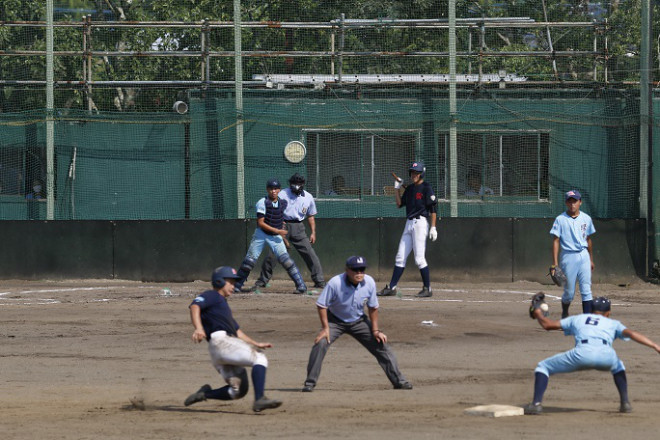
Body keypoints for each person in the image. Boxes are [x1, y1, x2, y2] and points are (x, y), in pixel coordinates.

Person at [525, 296, 660, 415]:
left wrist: (538, 314)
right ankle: (625, 403)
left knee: (543, 367)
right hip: (606, 356)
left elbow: (548, 325)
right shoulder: (613, 323)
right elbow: (632, 334)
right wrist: (655, 346)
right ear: (608, 313)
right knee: (619, 366)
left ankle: (536, 404)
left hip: (581, 354)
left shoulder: (579, 318)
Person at [301, 255, 412, 392]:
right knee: (321, 343)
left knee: (381, 344)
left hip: (359, 321)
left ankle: (399, 381)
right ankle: (309, 383)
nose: (359, 273)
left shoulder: (369, 282)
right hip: (335, 320)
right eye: (355, 270)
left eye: (362, 269)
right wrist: (325, 328)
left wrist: (375, 330)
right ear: (347, 270)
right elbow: (321, 305)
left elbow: (373, 307)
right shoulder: (335, 283)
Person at [184, 266, 283, 412]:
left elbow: (237, 332)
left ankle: (204, 394)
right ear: (218, 282)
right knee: (260, 358)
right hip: (222, 343)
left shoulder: (222, 305)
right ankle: (260, 399)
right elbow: (194, 306)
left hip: (219, 350)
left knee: (238, 390)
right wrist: (198, 328)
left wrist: (256, 343)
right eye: (230, 282)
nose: (233, 285)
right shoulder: (213, 295)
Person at [251, 173, 325, 291]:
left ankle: (319, 281)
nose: (296, 186)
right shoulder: (282, 194)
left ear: (302, 184)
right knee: (273, 255)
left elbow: (310, 216)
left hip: (299, 227)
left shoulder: (308, 197)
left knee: (310, 254)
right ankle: (262, 281)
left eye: (299, 183)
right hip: (282, 224)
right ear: (290, 184)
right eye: (293, 183)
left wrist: (313, 232)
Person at [233, 178, 307, 294]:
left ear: (279, 190)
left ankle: (301, 286)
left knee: (286, 261)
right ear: (267, 190)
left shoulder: (282, 203)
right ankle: (236, 286)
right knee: (249, 261)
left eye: (276, 189)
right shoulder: (262, 202)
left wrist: (284, 239)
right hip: (261, 234)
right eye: (271, 189)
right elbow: (261, 223)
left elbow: (280, 220)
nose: (273, 191)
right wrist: (278, 232)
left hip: (275, 235)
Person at [378, 161, 438, 298]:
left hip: (420, 223)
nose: (414, 175)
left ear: (422, 173)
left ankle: (427, 288)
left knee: (419, 258)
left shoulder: (426, 187)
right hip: (409, 223)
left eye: (416, 172)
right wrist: (397, 188)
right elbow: (399, 204)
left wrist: (433, 227)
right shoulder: (410, 189)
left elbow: (433, 209)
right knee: (400, 257)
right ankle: (392, 287)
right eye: (412, 172)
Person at [550, 189, 595, 318]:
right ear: (566, 203)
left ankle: (587, 320)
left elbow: (588, 239)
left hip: (584, 255)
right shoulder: (560, 219)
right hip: (568, 256)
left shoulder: (586, 218)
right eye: (569, 201)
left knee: (586, 289)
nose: (572, 204)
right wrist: (555, 263)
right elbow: (556, 241)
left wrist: (591, 259)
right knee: (569, 292)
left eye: (574, 201)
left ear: (580, 202)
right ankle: (565, 313)